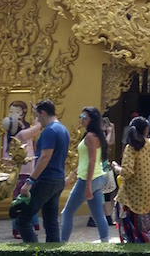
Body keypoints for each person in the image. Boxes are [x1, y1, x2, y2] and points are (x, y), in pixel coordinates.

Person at [112, 116, 150, 243]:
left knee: (133, 226)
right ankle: (143, 239)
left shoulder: (132, 147)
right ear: (146, 130)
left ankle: (139, 240)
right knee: (144, 225)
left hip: (133, 195)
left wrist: (116, 167)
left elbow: (127, 172)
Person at [17, 99, 70, 243]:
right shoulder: (63, 129)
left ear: (44, 113)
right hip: (58, 179)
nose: (37, 120)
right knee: (51, 223)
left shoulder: (50, 131)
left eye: (38, 116)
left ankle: (35, 252)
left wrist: (30, 181)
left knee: (22, 221)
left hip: (46, 179)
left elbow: (45, 157)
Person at [60, 106, 110, 242]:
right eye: (80, 117)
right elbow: (86, 161)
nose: (81, 120)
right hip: (97, 179)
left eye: (84, 118)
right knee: (98, 215)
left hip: (88, 180)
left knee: (67, 213)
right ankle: (106, 243)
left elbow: (92, 161)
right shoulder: (96, 135)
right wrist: (71, 176)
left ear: (92, 120)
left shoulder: (90, 137)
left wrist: (87, 185)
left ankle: (62, 243)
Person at [9, 110, 41, 239]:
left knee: (26, 200)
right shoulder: (21, 134)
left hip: (25, 172)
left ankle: (27, 226)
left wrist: (36, 116)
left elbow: (35, 130)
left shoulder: (23, 135)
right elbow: (37, 128)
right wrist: (39, 114)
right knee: (21, 201)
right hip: (22, 173)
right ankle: (18, 228)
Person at [95, 116, 117, 228]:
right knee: (98, 194)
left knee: (106, 194)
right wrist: (108, 133)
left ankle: (108, 218)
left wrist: (112, 131)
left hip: (103, 166)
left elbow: (111, 142)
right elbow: (105, 145)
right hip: (97, 168)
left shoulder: (103, 134)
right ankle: (93, 218)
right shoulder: (94, 135)